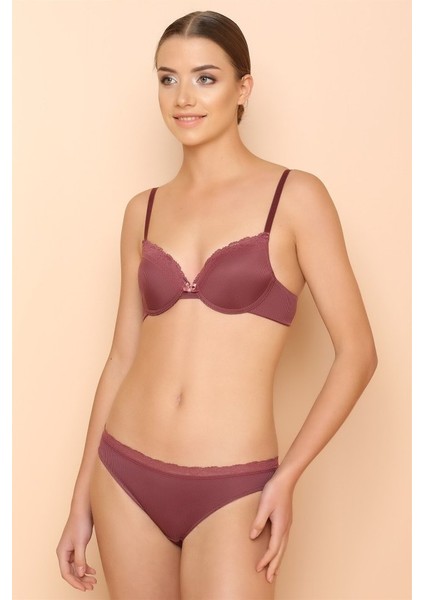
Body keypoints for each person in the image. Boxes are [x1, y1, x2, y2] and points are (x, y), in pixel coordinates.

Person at [56, 10, 377, 599]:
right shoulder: (142, 210)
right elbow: (121, 358)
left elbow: (357, 353)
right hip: (123, 475)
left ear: (243, 88)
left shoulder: (295, 197)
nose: (184, 97)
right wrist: (80, 501)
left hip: (235, 487)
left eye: (205, 78)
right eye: (167, 78)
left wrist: (288, 477)